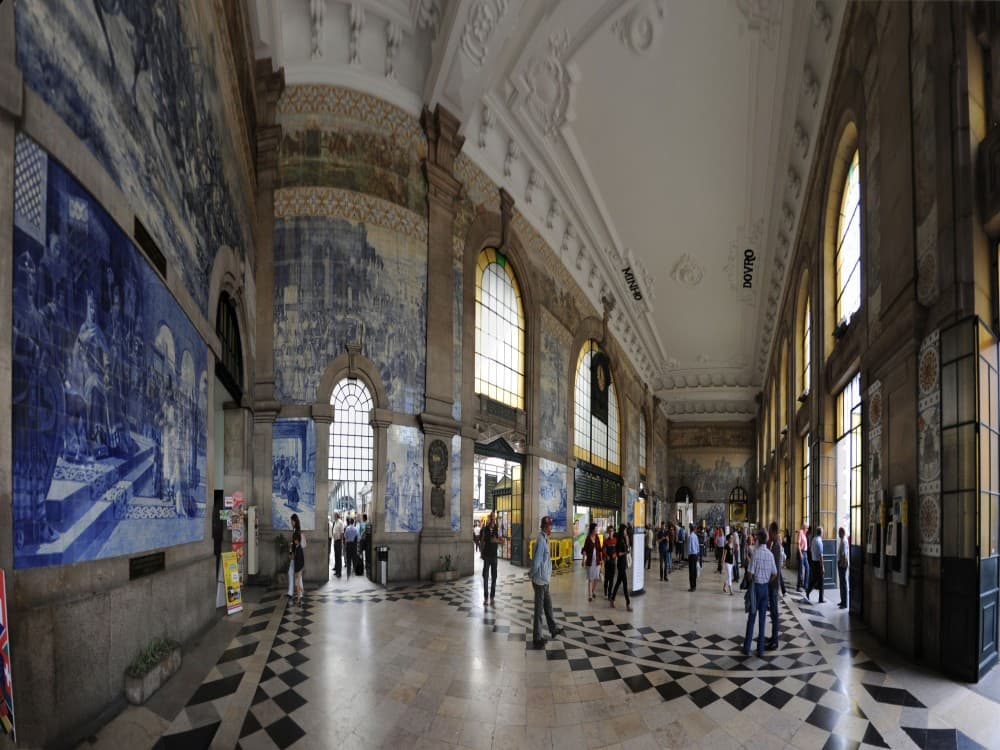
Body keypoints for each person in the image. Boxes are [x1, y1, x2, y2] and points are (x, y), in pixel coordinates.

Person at [530, 516, 564, 648]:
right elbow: (536, 561)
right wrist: (531, 575)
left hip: (545, 580)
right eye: (550, 525)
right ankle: (537, 638)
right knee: (539, 610)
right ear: (545, 527)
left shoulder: (545, 539)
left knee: (548, 606)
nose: (551, 528)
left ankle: (553, 628)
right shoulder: (541, 540)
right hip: (539, 581)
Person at [743, 529, 778, 657]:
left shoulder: (755, 554)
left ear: (758, 539)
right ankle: (760, 650)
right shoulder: (770, 554)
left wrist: (753, 581)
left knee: (752, 618)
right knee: (762, 620)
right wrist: (767, 582)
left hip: (756, 588)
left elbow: (750, 574)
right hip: (765, 589)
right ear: (767, 540)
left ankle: (747, 648)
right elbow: (775, 573)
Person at [766, 522, 784, 650]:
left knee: (774, 612)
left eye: (769, 532)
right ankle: (773, 637)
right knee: (772, 612)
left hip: (773, 584)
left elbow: (776, 569)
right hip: (773, 583)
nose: (768, 534)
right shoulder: (774, 545)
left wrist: (771, 582)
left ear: (773, 532)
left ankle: (775, 641)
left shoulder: (777, 546)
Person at [481, 510, 502, 605]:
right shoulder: (485, 529)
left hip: (494, 557)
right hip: (486, 556)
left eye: (494, 518)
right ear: (489, 518)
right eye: (491, 517)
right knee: (485, 577)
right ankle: (485, 598)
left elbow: (502, 541)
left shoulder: (497, 529)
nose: (493, 519)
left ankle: (492, 597)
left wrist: (496, 540)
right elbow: (482, 541)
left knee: (494, 577)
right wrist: (481, 553)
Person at [610, 523, 632, 611]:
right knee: (625, 584)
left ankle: (612, 599)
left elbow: (627, 547)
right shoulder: (619, 540)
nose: (626, 531)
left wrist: (627, 540)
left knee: (618, 582)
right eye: (625, 530)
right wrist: (625, 553)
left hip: (623, 563)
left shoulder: (623, 539)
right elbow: (618, 553)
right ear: (622, 530)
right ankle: (628, 604)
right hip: (620, 564)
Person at [581, 522, 603, 602]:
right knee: (590, 579)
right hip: (590, 562)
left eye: (597, 528)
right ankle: (590, 595)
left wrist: (601, 559)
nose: (597, 529)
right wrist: (583, 560)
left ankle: (593, 590)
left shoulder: (597, 537)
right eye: (596, 528)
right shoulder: (588, 538)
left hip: (597, 561)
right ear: (592, 529)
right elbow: (584, 550)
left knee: (597, 578)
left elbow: (600, 549)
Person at [806, 526, 825, 603]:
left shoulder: (813, 539)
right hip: (818, 563)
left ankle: (809, 591)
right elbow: (821, 555)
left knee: (815, 579)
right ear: (821, 533)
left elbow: (810, 549)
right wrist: (822, 566)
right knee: (821, 581)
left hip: (813, 561)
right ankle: (820, 599)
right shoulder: (819, 541)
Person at [287, 513, 303, 598]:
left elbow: (296, 543)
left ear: (294, 521)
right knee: (296, 574)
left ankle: (298, 594)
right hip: (296, 555)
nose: (291, 522)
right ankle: (295, 593)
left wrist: (292, 552)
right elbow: (295, 543)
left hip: (296, 555)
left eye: (291, 521)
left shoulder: (296, 531)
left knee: (296, 574)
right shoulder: (296, 530)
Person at [603, 525, 618, 599]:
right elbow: (603, 550)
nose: (611, 532)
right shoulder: (606, 541)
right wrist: (606, 556)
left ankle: (609, 594)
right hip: (607, 562)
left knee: (612, 578)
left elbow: (617, 550)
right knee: (606, 578)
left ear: (613, 532)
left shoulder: (616, 540)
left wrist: (615, 554)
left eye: (612, 531)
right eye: (610, 531)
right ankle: (605, 590)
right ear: (608, 532)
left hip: (613, 562)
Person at [291, 528, 305, 606]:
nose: (294, 541)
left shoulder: (299, 548)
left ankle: (299, 599)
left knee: (297, 584)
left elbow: (300, 560)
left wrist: (297, 571)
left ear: (297, 540)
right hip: (299, 568)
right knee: (297, 584)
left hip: (298, 568)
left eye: (294, 540)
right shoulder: (298, 547)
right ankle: (301, 594)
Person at [837, 527, 849, 608]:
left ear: (842, 533)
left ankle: (844, 603)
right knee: (841, 583)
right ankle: (842, 601)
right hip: (841, 563)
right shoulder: (842, 540)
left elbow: (844, 554)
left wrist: (841, 563)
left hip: (842, 564)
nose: (838, 534)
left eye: (839, 532)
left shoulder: (844, 541)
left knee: (843, 583)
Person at [686, 523, 700, 592]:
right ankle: (694, 586)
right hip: (695, 555)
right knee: (694, 571)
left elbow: (689, 548)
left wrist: (688, 555)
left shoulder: (690, 537)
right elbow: (697, 546)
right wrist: (697, 553)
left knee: (691, 572)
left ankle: (692, 587)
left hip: (691, 555)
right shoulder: (695, 536)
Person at [797, 522, 810, 592]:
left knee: (808, 568)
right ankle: (798, 586)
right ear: (804, 527)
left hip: (805, 553)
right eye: (807, 528)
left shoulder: (805, 534)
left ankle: (805, 585)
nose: (807, 529)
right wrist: (800, 554)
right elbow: (798, 544)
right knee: (800, 570)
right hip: (801, 552)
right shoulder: (800, 532)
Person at [331, 512, 345, 577]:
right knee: (336, 556)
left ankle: (339, 572)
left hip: (339, 541)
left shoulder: (340, 522)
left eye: (334, 515)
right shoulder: (335, 522)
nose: (333, 516)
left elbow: (342, 532)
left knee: (339, 557)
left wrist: (341, 542)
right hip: (335, 541)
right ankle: (337, 571)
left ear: (337, 515)